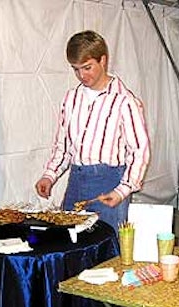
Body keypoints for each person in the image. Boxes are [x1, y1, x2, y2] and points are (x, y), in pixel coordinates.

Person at [35, 30, 150, 233]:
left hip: (110, 182)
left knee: (107, 250)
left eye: (87, 68)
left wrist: (122, 191)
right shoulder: (71, 98)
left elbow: (140, 151)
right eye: (76, 69)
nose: (82, 75)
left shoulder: (125, 101)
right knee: (69, 244)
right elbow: (64, 144)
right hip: (76, 181)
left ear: (103, 60)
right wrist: (49, 175)